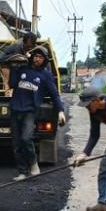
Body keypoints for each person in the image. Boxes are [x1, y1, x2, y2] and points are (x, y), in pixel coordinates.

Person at [8, 45, 66, 180]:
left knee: (26, 138)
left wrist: (60, 111)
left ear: (45, 60)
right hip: (15, 109)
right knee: (16, 144)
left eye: (40, 57)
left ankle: (33, 163)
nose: (37, 59)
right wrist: (14, 67)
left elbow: (54, 95)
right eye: (35, 56)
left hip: (29, 111)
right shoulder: (22, 69)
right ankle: (22, 172)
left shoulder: (45, 75)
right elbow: (12, 84)